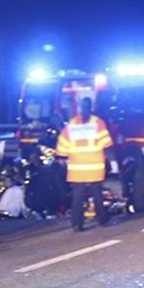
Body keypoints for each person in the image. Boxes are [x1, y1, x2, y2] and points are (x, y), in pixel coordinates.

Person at [55, 97, 114, 230]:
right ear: (91, 107)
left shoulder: (72, 124)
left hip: (77, 166)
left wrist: (63, 156)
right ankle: (102, 219)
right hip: (95, 165)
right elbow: (106, 143)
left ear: (80, 107)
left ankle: (77, 223)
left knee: (78, 196)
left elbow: (62, 144)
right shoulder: (98, 123)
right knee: (97, 193)